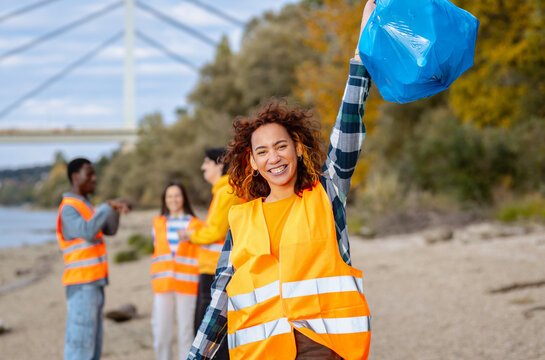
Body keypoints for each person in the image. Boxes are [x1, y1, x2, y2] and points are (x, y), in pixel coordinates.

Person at [187, 2, 376, 359]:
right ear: (253, 163)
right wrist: (196, 355)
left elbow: (348, 129)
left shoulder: (326, 192)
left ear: (297, 148)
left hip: (323, 347)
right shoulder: (240, 218)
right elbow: (221, 298)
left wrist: (360, 58)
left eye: (280, 146)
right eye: (262, 152)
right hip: (259, 353)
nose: (273, 157)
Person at [56, 158, 131, 360]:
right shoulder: (69, 208)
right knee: (80, 348)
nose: (94, 178)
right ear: (75, 176)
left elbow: (110, 229)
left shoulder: (86, 206)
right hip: (81, 285)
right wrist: (107, 206)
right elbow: (87, 231)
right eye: (89, 174)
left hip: (94, 284)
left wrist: (116, 209)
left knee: (92, 348)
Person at [178, 147, 244, 359]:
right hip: (212, 268)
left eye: (206, 162)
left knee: (210, 332)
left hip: (217, 270)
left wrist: (191, 236)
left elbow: (216, 231)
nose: (202, 167)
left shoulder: (227, 191)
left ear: (220, 164)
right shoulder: (222, 191)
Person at [151, 180, 204, 360]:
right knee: (160, 334)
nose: (173, 199)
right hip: (163, 286)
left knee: (186, 333)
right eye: (169, 196)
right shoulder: (157, 223)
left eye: (177, 195)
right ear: (164, 200)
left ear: (184, 198)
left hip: (187, 285)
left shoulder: (195, 224)